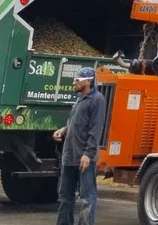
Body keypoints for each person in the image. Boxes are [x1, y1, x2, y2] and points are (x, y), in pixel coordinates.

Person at [53, 67, 105, 225]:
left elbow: (95, 129)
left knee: (87, 197)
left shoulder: (97, 100)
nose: (74, 82)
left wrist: (88, 154)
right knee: (64, 196)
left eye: (78, 80)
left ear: (88, 81)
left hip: (84, 158)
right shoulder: (79, 98)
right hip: (69, 156)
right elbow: (77, 122)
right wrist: (64, 129)